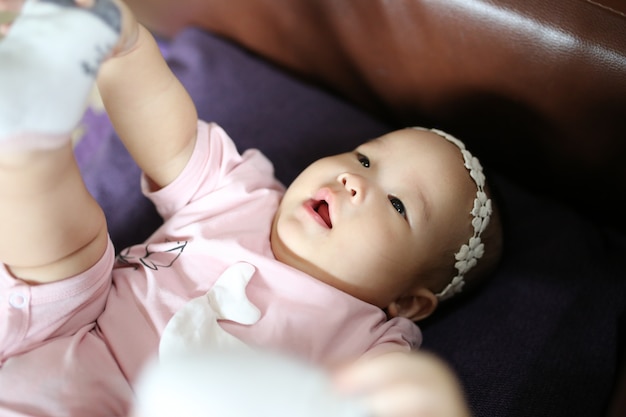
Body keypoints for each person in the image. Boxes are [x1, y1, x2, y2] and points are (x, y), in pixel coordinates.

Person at [0, 0, 501, 415]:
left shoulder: (371, 340)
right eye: (365, 158)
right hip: (65, 339)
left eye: (397, 204)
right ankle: (28, 143)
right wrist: (129, 54)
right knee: (79, 251)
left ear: (409, 302)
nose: (353, 180)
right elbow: (171, 141)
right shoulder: (246, 193)